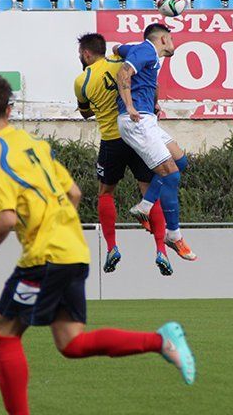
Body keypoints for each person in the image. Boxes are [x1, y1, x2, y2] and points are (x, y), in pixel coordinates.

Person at [0, 72, 195, 415]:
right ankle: (161, 340)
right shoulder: (31, 144)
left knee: (4, 333)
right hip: (74, 250)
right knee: (71, 343)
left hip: (45, 256)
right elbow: (74, 193)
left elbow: (4, 220)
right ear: (11, 108)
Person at [73, 33, 173, 276]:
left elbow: (85, 113)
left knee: (105, 193)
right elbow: (152, 84)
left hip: (112, 139)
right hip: (137, 134)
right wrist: (153, 104)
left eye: (80, 55)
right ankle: (161, 250)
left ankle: (112, 247)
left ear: (86, 54)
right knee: (148, 193)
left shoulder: (82, 80)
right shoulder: (120, 62)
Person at [114, 24, 196, 262]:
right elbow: (123, 73)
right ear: (162, 39)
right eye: (170, 38)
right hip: (137, 121)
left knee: (180, 161)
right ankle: (174, 235)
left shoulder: (141, 51)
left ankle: (146, 205)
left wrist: (154, 102)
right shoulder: (147, 50)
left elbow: (119, 49)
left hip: (147, 118)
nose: (173, 43)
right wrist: (129, 105)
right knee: (171, 175)